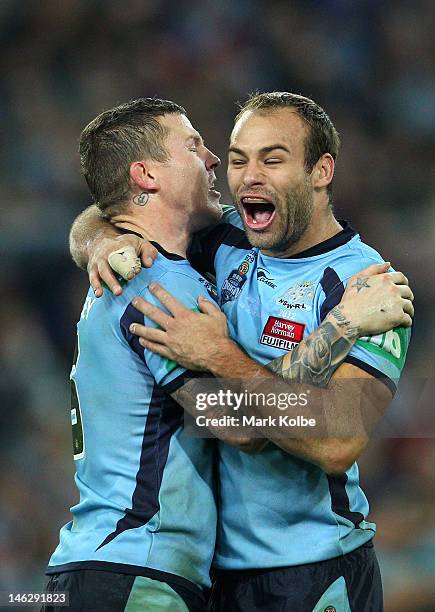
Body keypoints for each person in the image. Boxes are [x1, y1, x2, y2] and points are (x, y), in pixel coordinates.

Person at [69, 92, 414, 611]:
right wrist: (98, 240)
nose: (247, 175)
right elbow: (114, 207)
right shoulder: (226, 240)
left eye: (272, 159)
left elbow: (337, 440)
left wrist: (222, 355)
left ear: (321, 171)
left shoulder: (366, 286)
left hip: (315, 568)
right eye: (237, 159)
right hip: (217, 577)